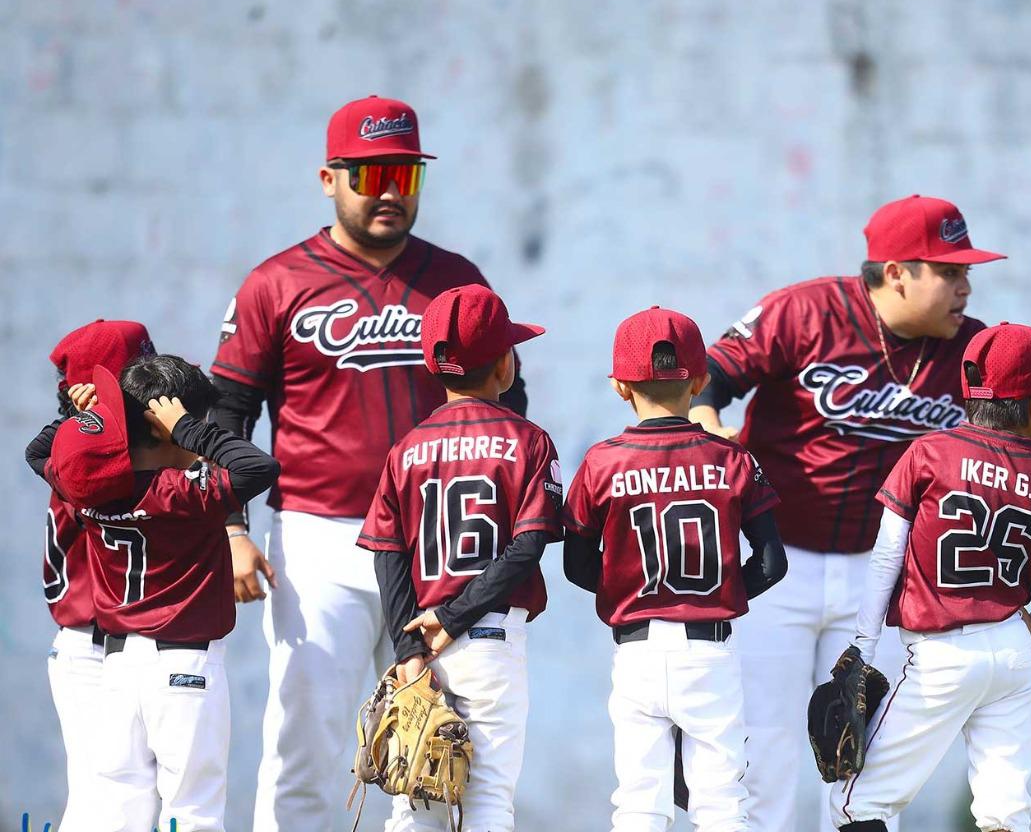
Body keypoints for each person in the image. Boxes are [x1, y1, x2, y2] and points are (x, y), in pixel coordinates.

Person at [688, 194, 1031, 830]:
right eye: (950, 271)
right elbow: (709, 377)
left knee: (861, 756)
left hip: (874, 578)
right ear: (898, 271)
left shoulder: (971, 344)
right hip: (778, 567)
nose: (965, 285)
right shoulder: (807, 310)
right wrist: (712, 436)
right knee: (762, 751)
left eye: (966, 272)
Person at [207, 95, 527, 830]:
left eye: (404, 175)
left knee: (434, 742)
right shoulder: (276, 283)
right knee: (308, 741)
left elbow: (510, 406)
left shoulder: (455, 278)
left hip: (437, 543)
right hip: (320, 539)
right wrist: (230, 528)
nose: (388, 191)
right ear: (329, 178)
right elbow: (228, 412)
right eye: (371, 172)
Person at [831, 323, 1031, 832]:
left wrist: (863, 643)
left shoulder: (928, 453)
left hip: (940, 656)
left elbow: (886, 559)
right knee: (1005, 813)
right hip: (1013, 652)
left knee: (857, 805)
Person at [564, 306, 787, 832]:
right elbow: (773, 563)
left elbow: (576, 565)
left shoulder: (601, 461)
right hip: (709, 648)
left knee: (640, 802)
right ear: (702, 380)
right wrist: (723, 590)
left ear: (620, 386)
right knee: (721, 802)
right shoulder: (732, 459)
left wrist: (629, 590)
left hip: (637, 648)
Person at [32, 355, 279, 831]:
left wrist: (86, 416)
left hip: (118, 669)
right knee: (194, 812)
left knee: (118, 806)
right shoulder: (184, 491)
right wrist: (189, 428)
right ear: (164, 429)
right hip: (185, 669)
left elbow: (37, 452)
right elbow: (259, 466)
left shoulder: (91, 490)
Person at [356, 284, 561, 830]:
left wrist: (407, 649)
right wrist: (456, 615)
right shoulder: (528, 440)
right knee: (488, 798)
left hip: (421, 639)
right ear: (504, 365)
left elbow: (388, 555)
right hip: (486, 634)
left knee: (415, 799)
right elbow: (529, 543)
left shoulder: (406, 448)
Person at [27, 319, 156, 829]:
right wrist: (91, 408)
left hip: (124, 643)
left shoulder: (101, 443)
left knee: (129, 794)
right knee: (107, 795)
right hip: (91, 646)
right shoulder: (85, 453)